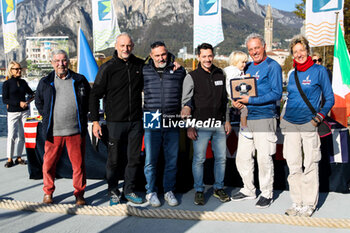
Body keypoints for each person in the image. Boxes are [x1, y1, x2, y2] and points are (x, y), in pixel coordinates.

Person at [281, 35, 334, 217]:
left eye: (301, 50)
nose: (298, 54)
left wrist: (318, 118)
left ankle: (309, 204)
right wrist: (283, 117)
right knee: (293, 164)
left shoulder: (319, 71)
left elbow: (330, 99)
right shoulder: (292, 73)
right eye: (295, 52)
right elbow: (290, 97)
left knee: (310, 163)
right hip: (290, 123)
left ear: (307, 51)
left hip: (309, 123)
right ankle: (297, 202)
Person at [89, 33, 144, 206]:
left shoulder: (140, 65)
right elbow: (94, 95)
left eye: (128, 46)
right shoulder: (107, 68)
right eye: (122, 46)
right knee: (113, 160)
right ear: (116, 46)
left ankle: (129, 190)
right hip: (114, 122)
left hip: (135, 121)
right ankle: (113, 191)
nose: (125, 49)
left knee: (134, 159)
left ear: (133, 46)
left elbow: (158, 67)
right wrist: (95, 121)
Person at [231, 33, 282, 208]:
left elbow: (276, 94)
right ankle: (249, 189)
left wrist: (250, 101)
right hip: (247, 118)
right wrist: (236, 100)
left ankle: (267, 193)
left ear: (264, 46)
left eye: (257, 48)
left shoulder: (272, 66)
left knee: (263, 158)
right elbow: (241, 90)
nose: (254, 52)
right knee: (242, 157)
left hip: (264, 118)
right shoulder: (248, 66)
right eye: (251, 49)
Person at [35, 50, 90, 205]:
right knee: (48, 165)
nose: (61, 64)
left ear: (68, 62)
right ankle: (48, 192)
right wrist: (46, 117)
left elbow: (87, 100)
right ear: (52, 63)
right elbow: (38, 102)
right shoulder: (45, 82)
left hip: (75, 131)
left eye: (64, 60)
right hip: (53, 132)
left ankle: (79, 194)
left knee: (78, 166)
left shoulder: (80, 80)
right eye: (57, 61)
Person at [181, 43, 232, 206]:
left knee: (221, 159)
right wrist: (189, 125)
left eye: (210, 56)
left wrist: (227, 120)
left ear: (213, 56)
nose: (207, 59)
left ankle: (218, 188)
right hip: (200, 125)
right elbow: (186, 102)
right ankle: (199, 190)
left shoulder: (220, 73)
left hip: (218, 124)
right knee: (199, 159)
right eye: (204, 56)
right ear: (198, 57)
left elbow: (225, 101)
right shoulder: (192, 76)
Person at [143, 41, 186, 207]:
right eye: (157, 55)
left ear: (167, 53)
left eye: (163, 54)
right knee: (150, 159)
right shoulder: (144, 70)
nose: (161, 58)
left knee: (171, 159)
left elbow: (187, 92)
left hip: (172, 117)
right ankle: (150, 191)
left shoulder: (179, 70)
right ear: (151, 56)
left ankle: (169, 190)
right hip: (151, 117)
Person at [2, 61, 34, 168]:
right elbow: (5, 100)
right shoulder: (7, 84)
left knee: (23, 135)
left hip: (25, 112)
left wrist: (27, 102)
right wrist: (18, 103)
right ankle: (9, 159)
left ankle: (19, 157)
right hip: (13, 112)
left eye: (20, 69)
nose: (19, 70)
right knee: (12, 135)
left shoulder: (24, 82)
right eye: (16, 69)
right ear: (11, 71)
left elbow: (32, 94)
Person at [223, 51, 252, 139]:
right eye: (242, 62)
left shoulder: (227, 70)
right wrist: (247, 77)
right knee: (244, 109)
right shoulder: (235, 71)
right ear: (236, 62)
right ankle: (243, 127)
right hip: (235, 94)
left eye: (245, 62)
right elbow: (238, 82)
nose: (244, 64)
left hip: (230, 95)